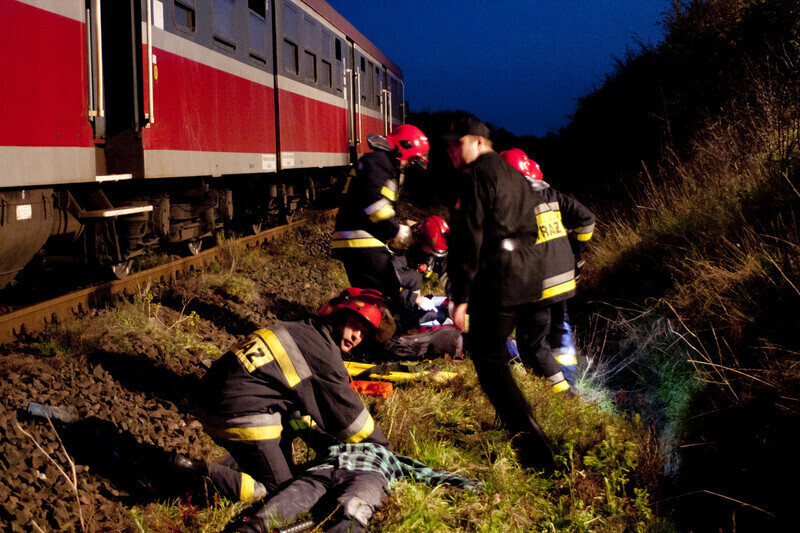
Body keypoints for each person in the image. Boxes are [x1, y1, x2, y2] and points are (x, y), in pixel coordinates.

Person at [187, 288, 396, 500]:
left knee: (292, 422)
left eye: (363, 332)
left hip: (214, 399)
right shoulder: (323, 356)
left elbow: (301, 409)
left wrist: (321, 441)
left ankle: (246, 463)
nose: (356, 336)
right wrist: (386, 451)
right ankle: (188, 474)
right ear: (338, 317)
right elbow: (351, 421)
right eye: (354, 325)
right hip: (235, 413)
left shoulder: (301, 329)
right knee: (280, 492)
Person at [443, 116, 557, 471]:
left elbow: (469, 238)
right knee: (504, 354)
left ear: (478, 142)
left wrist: (460, 295)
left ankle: (534, 448)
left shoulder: (476, 176)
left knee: (488, 358)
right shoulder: (515, 175)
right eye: (448, 145)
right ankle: (523, 426)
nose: (451, 151)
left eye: (457, 143)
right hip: (531, 275)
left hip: (500, 277)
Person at [498, 148, 595, 390]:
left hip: (539, 283)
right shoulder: (551, 195)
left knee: (532, 343)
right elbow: (587, 221)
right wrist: (575, 250)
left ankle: (561, 394)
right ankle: (569, 381)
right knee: (558, 331)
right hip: (565, 278)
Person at [229, 442, 482, 533]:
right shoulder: (331, 444)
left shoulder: (389, 455)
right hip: (321, 472)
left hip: (368, 475)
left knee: (352, 509)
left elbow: (428, 474)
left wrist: (471, 485)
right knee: (279, 505)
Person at [331, 124, 430, 311]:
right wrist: (396, 230)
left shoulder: (378, 161)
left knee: (370, 296)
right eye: (411, 159)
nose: (409, 164)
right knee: (388, 290)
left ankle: (359, 321)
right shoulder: (380, 161)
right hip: (361, 240)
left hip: (357, 239)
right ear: (404, 148)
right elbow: (375, 204)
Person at [390, 215, 450, 329]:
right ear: (421, 240)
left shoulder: (429, 246)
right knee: (414, 278)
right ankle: (401, 321)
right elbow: (388, 285)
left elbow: (443, 266)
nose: (434, 253)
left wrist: (452, 296)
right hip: (394, 296)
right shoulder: (400, 249)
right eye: (432, 249)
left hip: (413, 294)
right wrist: (416, 299)